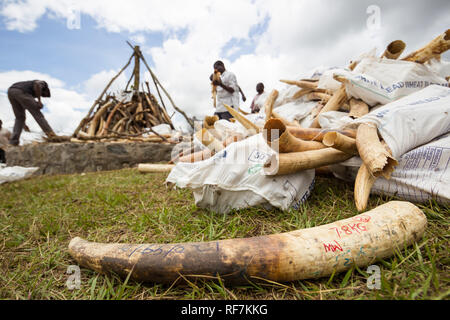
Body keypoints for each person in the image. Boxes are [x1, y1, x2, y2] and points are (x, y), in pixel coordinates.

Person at [7, 80, 58, 146]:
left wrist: (24, 125)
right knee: (38, 115)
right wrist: (39, 101)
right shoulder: (44, 84)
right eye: (42, 95)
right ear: (45, 90)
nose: (41, 96)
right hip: (21, 91)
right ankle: (52, 136)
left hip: (11, 91)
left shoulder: (29, 91)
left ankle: (13, 142)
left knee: (19, 118)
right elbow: (37, 84)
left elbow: (22, 112)